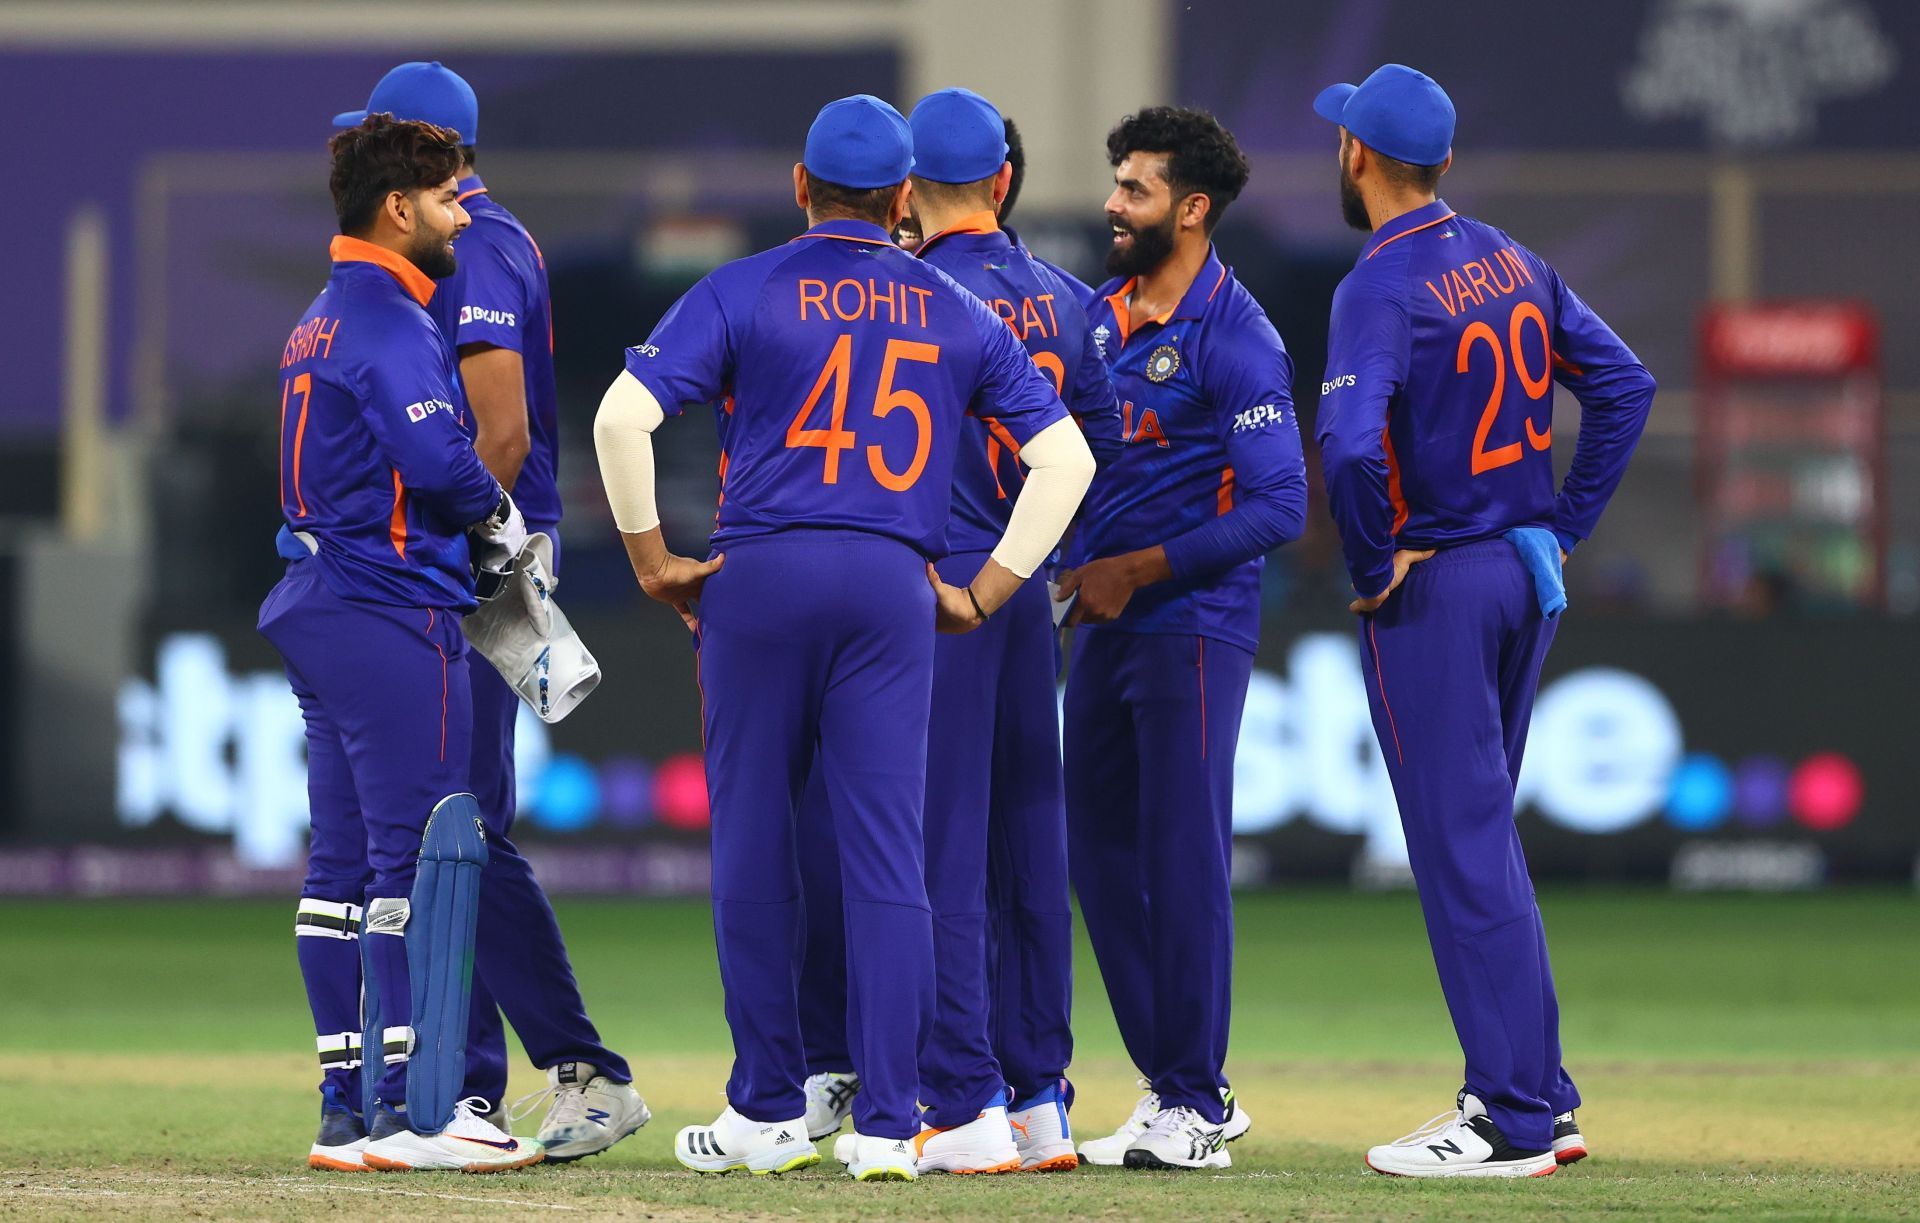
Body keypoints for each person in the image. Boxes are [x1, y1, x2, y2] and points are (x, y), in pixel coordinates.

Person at [591, 94, 1096, 1182]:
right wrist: (989, 588)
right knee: (888, 853)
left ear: (797, 185)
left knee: (759, 839)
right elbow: (1069, 460)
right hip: (892, 583)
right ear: (903, 197)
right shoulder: (952, 302)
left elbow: (619, 417)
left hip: (756, 573)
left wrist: (647, 558)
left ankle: (768, 1107)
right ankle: (887, 1121)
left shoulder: (742, 286)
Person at [1312, 64, 1655, 1177]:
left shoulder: (1376, 284)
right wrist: (1564, 524)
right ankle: (1540, 1092)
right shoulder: (1515, 258)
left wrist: (1374, 561)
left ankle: (1510, 1112)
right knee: (1483, 842)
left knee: (1461, 848)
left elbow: (1353, 447)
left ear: (1358, 155)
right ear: (1445, 161)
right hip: (1522, 572)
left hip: (1442, 584)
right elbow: (1625, 384)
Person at [787, 87, 1122, 1175]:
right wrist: (1040, 566)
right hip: (1025, 591)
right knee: (1031, 844)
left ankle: (962, 1097)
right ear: (1006, 181)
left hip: (939, 593)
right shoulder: (1072, 301)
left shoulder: (909, 295)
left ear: (899, 191)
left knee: (934, 854)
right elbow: (1095, 451)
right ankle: (1040, 1098)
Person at [330, 59, 649, 1165]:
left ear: (434, 154)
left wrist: (453, 558)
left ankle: (519, 1079)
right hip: (456, 564)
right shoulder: (454, 247)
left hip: (470, 572)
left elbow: (498, 438)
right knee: (447, 826)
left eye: (381, 141)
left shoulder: (481, 246)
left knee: (454, 825)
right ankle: (486, 1080)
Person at [262, 113, 540, 1173]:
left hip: (319, 601)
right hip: (389, 611)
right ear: (397, 209)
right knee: (421, 859)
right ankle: (415, 1111)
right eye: (443, 196)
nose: (459, 210)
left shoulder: (320, 316)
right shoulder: (385, 316)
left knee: (339, 870)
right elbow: (436, 452)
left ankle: (347, 1107)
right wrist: (500, 518)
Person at [1060, 106, 1307, 1171]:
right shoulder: (1102, 315)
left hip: (1192, 628)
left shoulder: (1237, 336)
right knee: (1096, 852)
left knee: (1183, 855)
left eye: (1136, 189)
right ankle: (1175, 1083)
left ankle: (1193, 1098)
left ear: (1192, 209)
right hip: (1104, 626)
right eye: (1117, 184)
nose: (1114, 205)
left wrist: (1136, 567)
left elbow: (1281, 505)